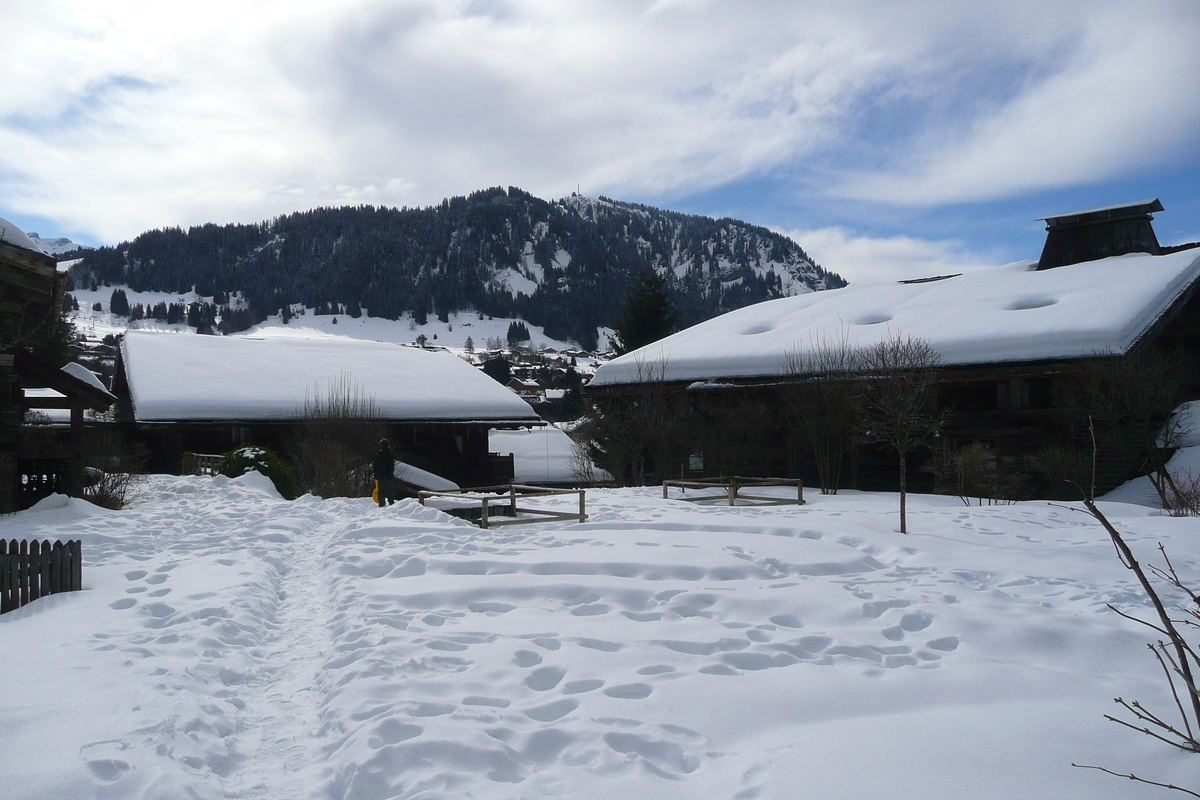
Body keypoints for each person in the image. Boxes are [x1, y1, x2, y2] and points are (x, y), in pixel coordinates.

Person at [374, 439, 396, 507]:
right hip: (388, 475)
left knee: (381, 491)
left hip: (380, 475)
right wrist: (391, 474)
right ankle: (391, 503)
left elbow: (375, 465)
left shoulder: (379, 453)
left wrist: (376, 474)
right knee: (390, 491)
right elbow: (391, 465)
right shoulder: (390, 453)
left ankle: (381, 503)